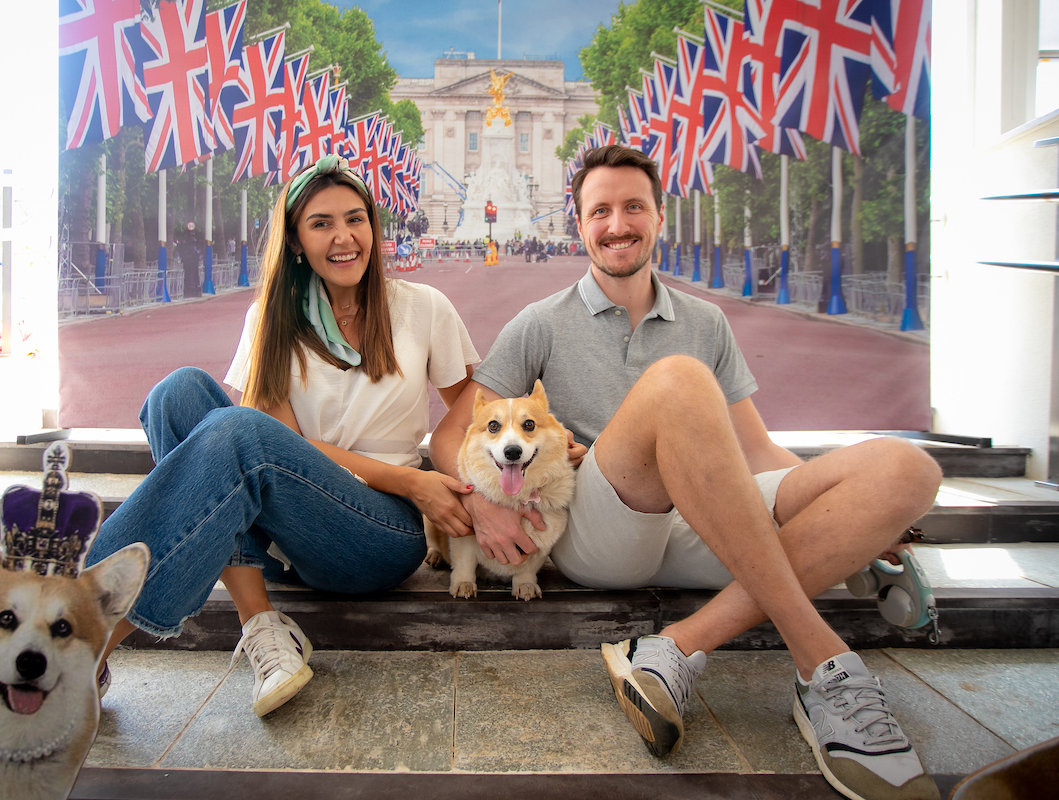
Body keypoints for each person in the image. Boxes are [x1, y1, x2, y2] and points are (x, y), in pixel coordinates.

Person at [429, 145, 943, 800]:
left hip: (711, 521)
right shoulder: (541, 323)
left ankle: (674, 648)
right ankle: (825, 664)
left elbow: (754, 453)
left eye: (633, 207)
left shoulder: (706, 320)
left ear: (659, 217)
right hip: (608, 525)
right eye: (601, 211)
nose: (618, 224)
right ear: (580, 225)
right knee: (676, 382)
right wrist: (480, 499)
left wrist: (849, 509)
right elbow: (452, 435)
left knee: (906, 471)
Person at [85, 154, 479, 718]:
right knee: (180, 395)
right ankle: (262, 625)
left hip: (380, 532)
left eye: (356, 219)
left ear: (373, 226)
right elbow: (276, 443)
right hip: (301, 517)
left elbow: (470, 401)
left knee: (239, 431)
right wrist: (412, 480)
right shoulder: (272, 317)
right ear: (296, 241)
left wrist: (456, 464)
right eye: (321, 224)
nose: (344, 237)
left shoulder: (422, 308)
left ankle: (87, 636)